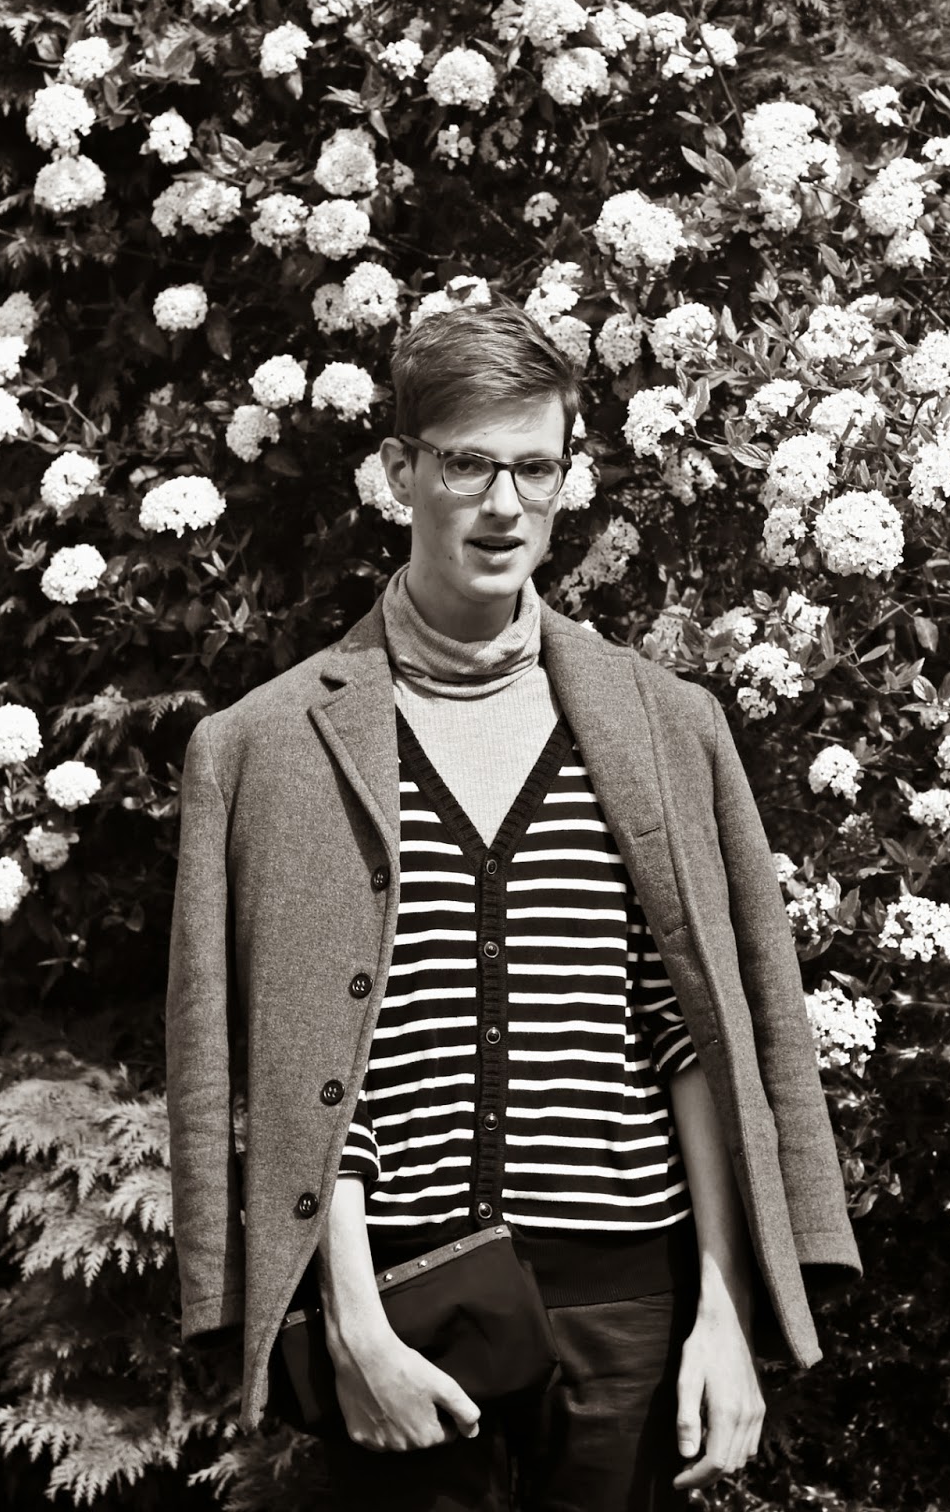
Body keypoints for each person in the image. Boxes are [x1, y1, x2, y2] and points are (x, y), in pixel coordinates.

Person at [165, 301, 862, 1512]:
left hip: (632, 1313)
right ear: (400, 471)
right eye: (468, 464)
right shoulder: (263, 747)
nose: (504, 504)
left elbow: (698, 1031)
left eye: (534, 468)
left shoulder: (667, 726)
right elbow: (292, 1063)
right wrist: (353, 1324)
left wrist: (724, 1307)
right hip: (404, 1314)